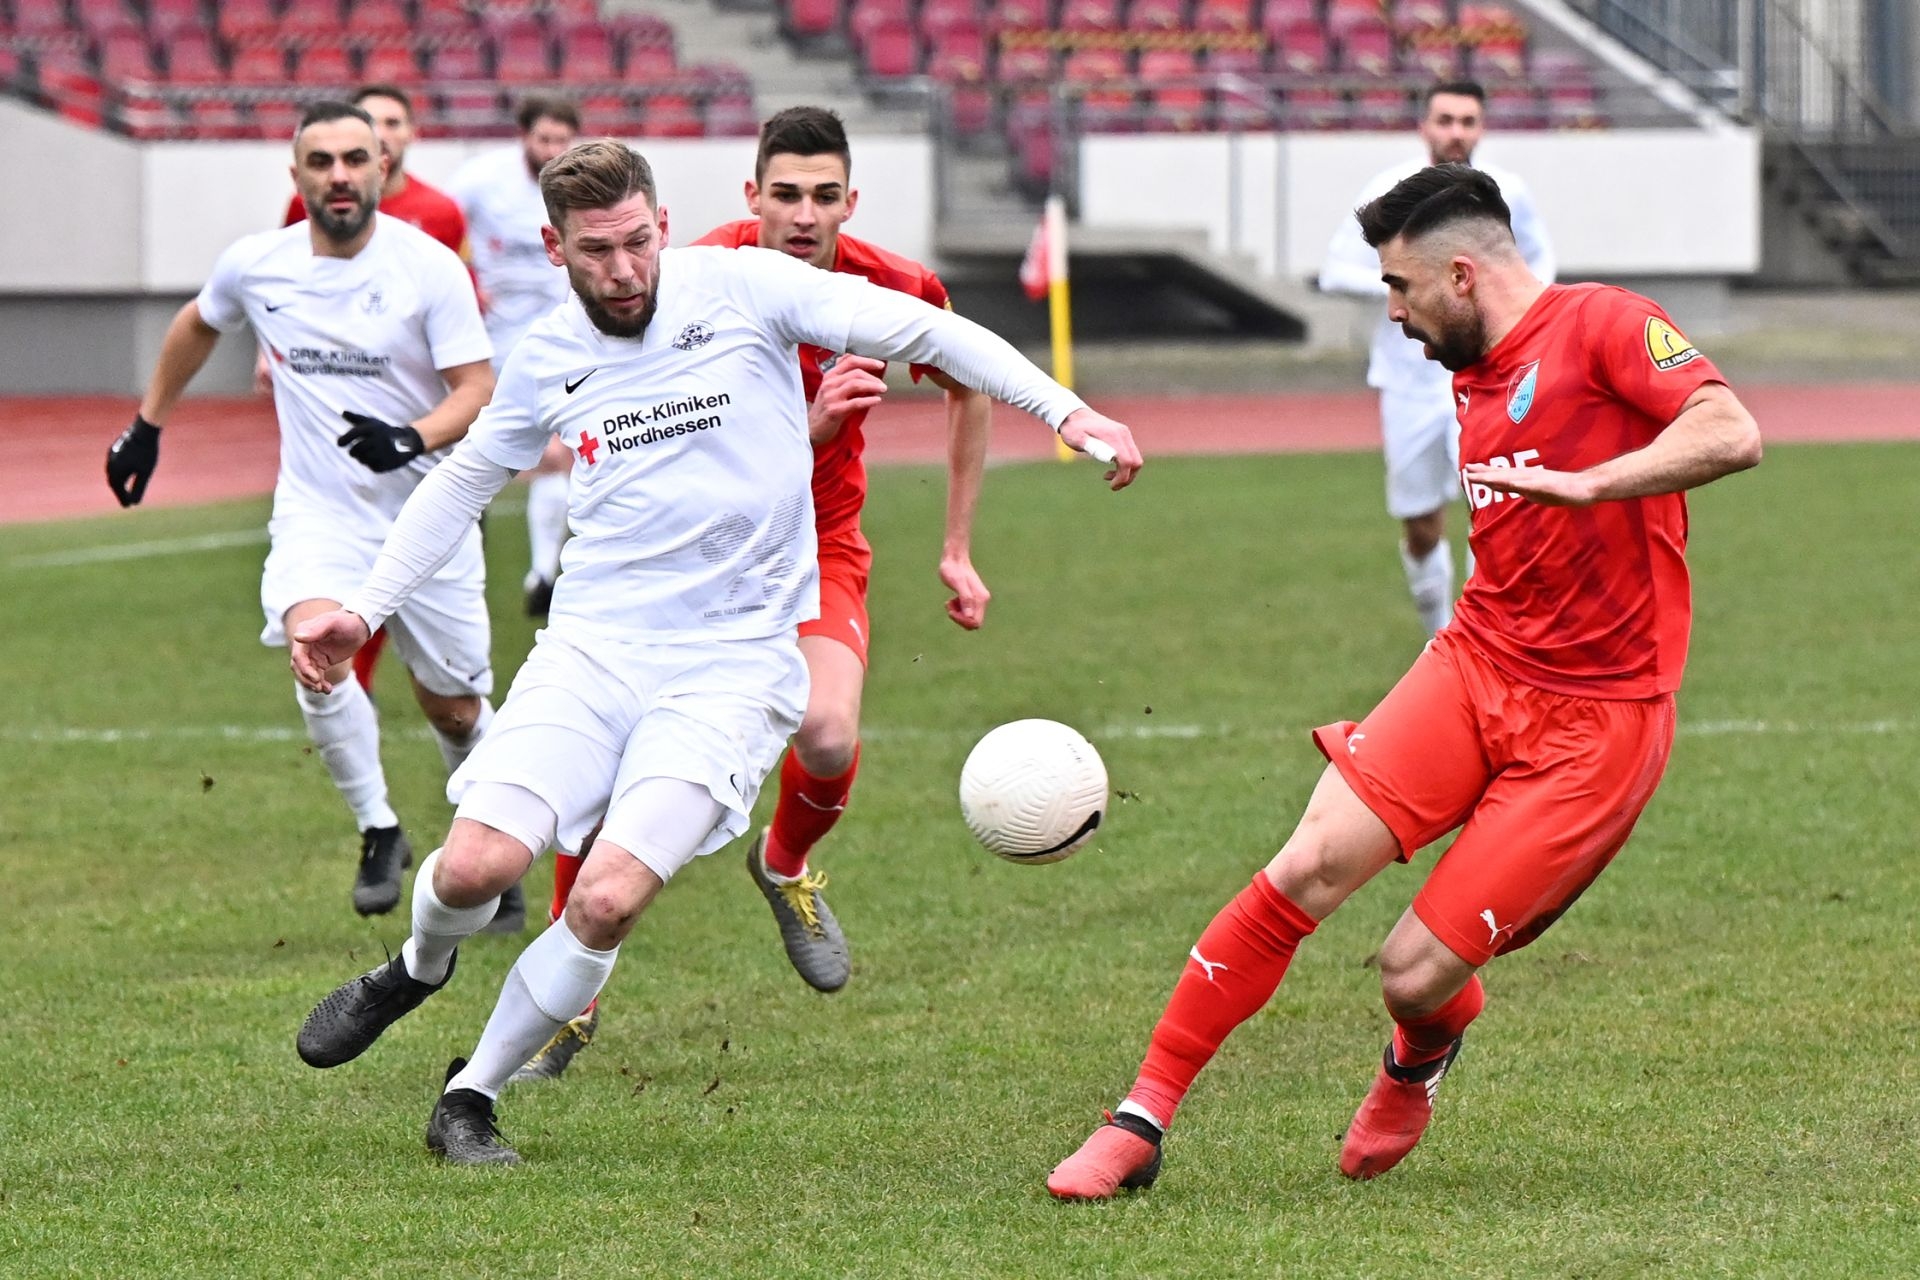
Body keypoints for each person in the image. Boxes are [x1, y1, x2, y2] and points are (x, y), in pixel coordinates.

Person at [290, 139, 1142, 1165]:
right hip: (592, 650)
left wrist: (1068, 408)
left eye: (640, 241)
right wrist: (366, 607)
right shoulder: (549, 353)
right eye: (597, 252)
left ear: (662, 222)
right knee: (475, 865)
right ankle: (415, 968)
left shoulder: (744, 286)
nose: (626, 270)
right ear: (556, 251)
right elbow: (464, 480)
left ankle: (468, 1093)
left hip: (732, 665)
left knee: (606, 895)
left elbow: (928, 329)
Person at [1046, 163, 1761, 1200]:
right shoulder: (1466, 365)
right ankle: (1137, 1118)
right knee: (1305, 865)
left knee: (1412, 972)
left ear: (1462, 275)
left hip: (1597, 723)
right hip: (1477, 663)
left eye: (1400, 289)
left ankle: (1421, 1051)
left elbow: (1730, 428)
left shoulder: (1607, 323)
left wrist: (1595, 481)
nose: (1393, 311)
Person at [526, 107, 993, 1066]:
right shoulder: (698, 280)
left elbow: (970, 380)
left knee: (827, 733)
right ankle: (567, 1003)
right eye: (785, 193)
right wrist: (808, 427)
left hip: (819, 546)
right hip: (701, 554)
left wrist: (956, 546)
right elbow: (675, 437)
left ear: (850, 203)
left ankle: (784, 866)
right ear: (752, 198)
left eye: (825, 196)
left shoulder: (894, 284)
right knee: (613, 771)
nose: (804, 213)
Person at [104, 101, 498, 918]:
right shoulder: (259, 264)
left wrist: (410, 436)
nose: (341, 176)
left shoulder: (430, 267)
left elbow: (477, 389)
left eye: (356, 159)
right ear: (297, 177)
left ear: (383, 167)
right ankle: (380, 826)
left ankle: (494, 838)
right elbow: (196, 323)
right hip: (319, 513)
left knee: (453, 707)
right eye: (322, 163)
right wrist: (147, 425)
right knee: (315, 654)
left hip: (429, 517)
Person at [1318, 81, 1555, 637]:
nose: (1456, 132)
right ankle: (1436, 635)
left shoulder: (1506, 192)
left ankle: (1484, 641)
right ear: (1424, 126)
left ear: (1482, 128)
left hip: (1490, 379)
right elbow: (1335, 270)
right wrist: (1416, 290)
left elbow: (1541, 260)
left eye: (1467, 121)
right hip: (1409, 384)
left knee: (1493, 513)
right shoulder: (1390, 193)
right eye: (1445, 120)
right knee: (1421, 523)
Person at [270, 83, 471, 709]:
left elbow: (469, 343)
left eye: (391, 123)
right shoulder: (308, 214)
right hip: (340, 475)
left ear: (401, 142)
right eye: (371, 121)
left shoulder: (439, 218)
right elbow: (283, 290)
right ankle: (373, 803)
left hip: (431, 457)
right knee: (342, 646)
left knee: (452, 699)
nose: (380, 134)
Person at [447, 94, 580, 618]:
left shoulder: (582, 184)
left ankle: (543, 572)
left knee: (557, 455)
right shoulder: (482, 180)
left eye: (561, 141)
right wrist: (466, 281)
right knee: (481, 456)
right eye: (543, 139)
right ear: (523, 135)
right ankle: (460, 570)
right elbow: (438, 228)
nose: (552, 151)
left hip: (559, 338)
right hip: (492, 343)